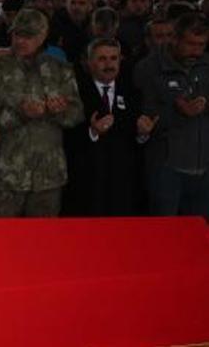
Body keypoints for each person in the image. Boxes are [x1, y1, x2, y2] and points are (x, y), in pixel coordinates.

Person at [0, 9, 84, 217]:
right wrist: (21, 113)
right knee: (1, 243)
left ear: (43, 36)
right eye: (17, 34)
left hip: (48, 178)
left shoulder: (60, 69)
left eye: (28, 36)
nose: (21, 41)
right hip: (5, 179)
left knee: (43, 245)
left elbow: (77, 114)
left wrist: (59, 112)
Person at [64, 38, 151, 216]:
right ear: (89, 62)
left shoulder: (132, 92)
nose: (109, 64)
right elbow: (66, 135)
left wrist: (143, 134)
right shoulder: (75, 92)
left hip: (123, 182)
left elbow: (137, 139)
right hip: (86, 181)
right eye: (102, 59)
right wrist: (92, 132)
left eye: (113, 58)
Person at [141, 13, 209, 217]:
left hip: (204, 167)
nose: (196, 51)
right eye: (190, 44)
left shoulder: (206, 66)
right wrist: (178, 111)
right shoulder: (149, 68)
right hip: (166, 168)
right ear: (175, 39)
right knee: (164, 234)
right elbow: (143, 117)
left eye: (202, 45)